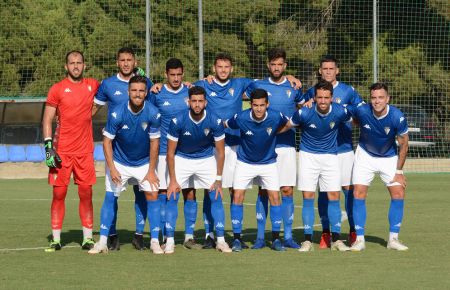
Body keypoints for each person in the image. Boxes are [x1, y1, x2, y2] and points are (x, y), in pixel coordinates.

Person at [88, 75, 163, 254]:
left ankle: (154, 241)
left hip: (144, 162)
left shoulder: (153, 113)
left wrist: (151, 170)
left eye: (141, 91)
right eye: (134, 90)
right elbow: (106, 142)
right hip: (120, 161)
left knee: (152, 195)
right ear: (128, 92)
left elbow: (155, 143)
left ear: (146, 93)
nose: (137, 94)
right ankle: (103, 241)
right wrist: (112, 168)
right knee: (110, 197)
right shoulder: (117, 113)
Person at [281, 80, 352, 252]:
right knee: (308, 196)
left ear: (332, 98)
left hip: (330, 157)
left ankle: (336, 240)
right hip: (308, 156)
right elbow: (286, 126)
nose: (322, 101)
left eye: (326, 97)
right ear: (314, 97)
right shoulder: (304, 112)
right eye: (319, 97)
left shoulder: (340, 111)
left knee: (334, 195)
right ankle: (307, 240)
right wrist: (266, 134)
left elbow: (356, 120)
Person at [244, 48, 304, 249]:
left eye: (280, 64)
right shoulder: (258, 85)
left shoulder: (293, 86)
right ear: (268, 65)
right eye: (273, 64)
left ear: (285, 66)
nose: (276, 68)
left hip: (287, 146)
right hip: (264, 147)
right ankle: (261, 237)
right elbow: (232, 90)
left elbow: (306, 106)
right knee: (264, 192)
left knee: (287, 191)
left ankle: (286, 236)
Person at [302, 55, 363, 248]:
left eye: (331, 69)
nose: (328, 72)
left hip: (343, 149)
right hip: (320, 151)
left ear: (337, 70)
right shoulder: (313, 91)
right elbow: (301, 107)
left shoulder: (348, 91)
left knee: (347, 190)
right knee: (322, 192)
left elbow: (360, 112)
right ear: (320, 71)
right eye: (324, 69)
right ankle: (326, 232)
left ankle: (352, 231)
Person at [42, 50, 100, 251]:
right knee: (59, 194)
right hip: (62, 152)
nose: (76, 66)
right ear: (66, 66)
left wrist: (141, 75)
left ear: (85, 65)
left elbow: (116, 87)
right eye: (72, 63)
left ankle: (87, 238)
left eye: (79, 62)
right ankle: (57, 239)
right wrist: (49, 148)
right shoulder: (57, 89)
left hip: (84, 152)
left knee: (86, 194)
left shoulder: (93, 85)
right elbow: (47, 119)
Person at [165, 86, 231, 253]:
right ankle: (170, 240)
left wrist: (218, 178)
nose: (197, 104)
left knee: (216, 195)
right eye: (194, 101)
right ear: (188, 102)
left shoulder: (215, 120)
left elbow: (221, 152)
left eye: (200, 101)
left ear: (205, 102)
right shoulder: (177, 120)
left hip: (206, 159)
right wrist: (172, 180)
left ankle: (221, 240)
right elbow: (170, 153)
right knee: (172, 196)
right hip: (182, 159)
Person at [349, 82, 409, 251]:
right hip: (365, 155)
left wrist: (399, 171)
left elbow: (404, 145)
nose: (377, 101)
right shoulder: (362, 110)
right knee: (358, 193)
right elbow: (349, 116)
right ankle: (359, 240)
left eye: (381, 97)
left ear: (387, 99)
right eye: (374, 98)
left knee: (398, 192)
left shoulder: (397, 117)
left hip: (388, 157)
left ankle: (393, 239)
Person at [225, 88, 286, 252]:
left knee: (275, 197)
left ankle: (275, 239)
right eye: (255, 105)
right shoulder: (241, 117)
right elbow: (226, 124)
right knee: (237, 195)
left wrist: (273, 131)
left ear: (267, 104)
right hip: (244, 162)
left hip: (268, 162)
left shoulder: (275, 116)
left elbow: (288, 123)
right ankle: (237, 239)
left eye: (262, 105)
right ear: (250, 105)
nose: (259, 109)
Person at [149, 58, 200, 250]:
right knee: (165, 193)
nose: (176, 78)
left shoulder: (190, 91)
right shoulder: (157, 93)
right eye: (172, 75)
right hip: (163, 151)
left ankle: (189, 236)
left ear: (183, 73)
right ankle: (165, 235)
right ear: (165, 75)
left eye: (179, 74)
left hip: (186, 153)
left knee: (190, 192)